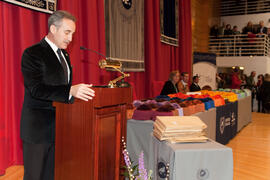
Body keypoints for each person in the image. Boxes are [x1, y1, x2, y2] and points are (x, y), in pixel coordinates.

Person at [20, 10, 95, 180]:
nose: (70, 38)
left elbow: (63, 89)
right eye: (67, 32)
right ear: (53, 29)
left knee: (51, 176)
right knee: (34, 176)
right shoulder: (33, 53)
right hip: (37, 130)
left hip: (60, 128)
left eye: (73, 34)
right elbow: (36, 89)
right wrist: (70, 91)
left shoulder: (65, 55)